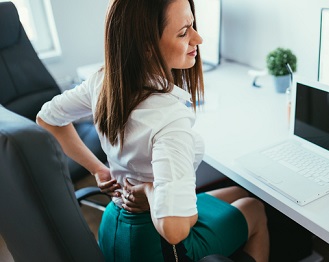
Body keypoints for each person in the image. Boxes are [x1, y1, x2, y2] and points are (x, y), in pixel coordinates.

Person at [36, 0, 270, 261]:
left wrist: (98, 170)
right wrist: (149, 190)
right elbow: (174, 230)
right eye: (184, 32)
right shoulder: (169, 121)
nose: (198, 38)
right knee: (254, 207)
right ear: (147, 48)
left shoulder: (104, 80)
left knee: (237, 193)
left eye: (192, 26)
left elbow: (47, 118)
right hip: (155, 243)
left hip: (113, 223)